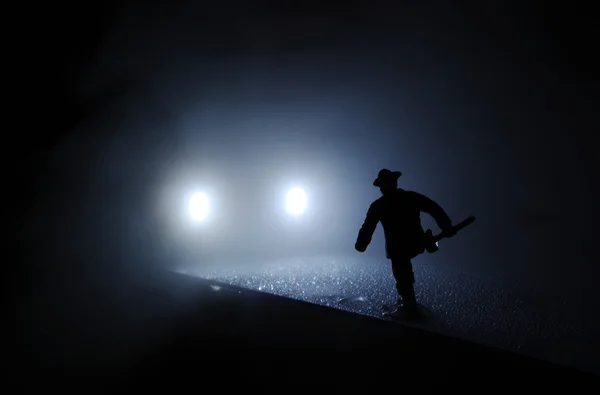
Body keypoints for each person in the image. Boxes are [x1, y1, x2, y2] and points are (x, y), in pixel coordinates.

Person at [355, 169, 456, 319]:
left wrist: (361, 244)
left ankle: (409, 306)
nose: (382, 188)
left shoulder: (380, 205)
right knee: (402, 269)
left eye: (383, 185)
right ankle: (427, 241)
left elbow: (368, 226)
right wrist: (445, 226)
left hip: (400, 247)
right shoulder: (408, 198)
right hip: (415, 242)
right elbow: (433, 207)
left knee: (401, 271)